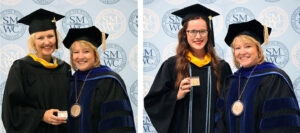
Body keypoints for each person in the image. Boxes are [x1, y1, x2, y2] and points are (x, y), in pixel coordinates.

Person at [144, 4, 232, 133]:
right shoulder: (171, 65)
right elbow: (153, 102)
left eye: (202, 31)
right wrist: (176, 95)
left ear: (209, 33)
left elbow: (228, 105)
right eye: (193, 31)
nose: (198, 37)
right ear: (185, 34)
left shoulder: (221, 67)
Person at [215, 19, 300, 133]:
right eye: (237, 48)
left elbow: (280, 123)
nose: (242, 52)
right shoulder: (231, 81)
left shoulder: (273, 79)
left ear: (258, 49)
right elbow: (220, 121)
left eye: (248, 46)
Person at [2, 8, 71, 133]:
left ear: (56, 38)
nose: (47, 42)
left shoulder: (64, 68)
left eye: (50, 36)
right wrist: (41, 116)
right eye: (40, 38)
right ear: (33, 41)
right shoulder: (21, 68)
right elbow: (12, 110)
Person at [63, 26, 136, 133]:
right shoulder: (72, 81)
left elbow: (116, 123)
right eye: (76, 52)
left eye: (86, 51)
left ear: (95, 54)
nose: (80, 56)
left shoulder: (108, 81)